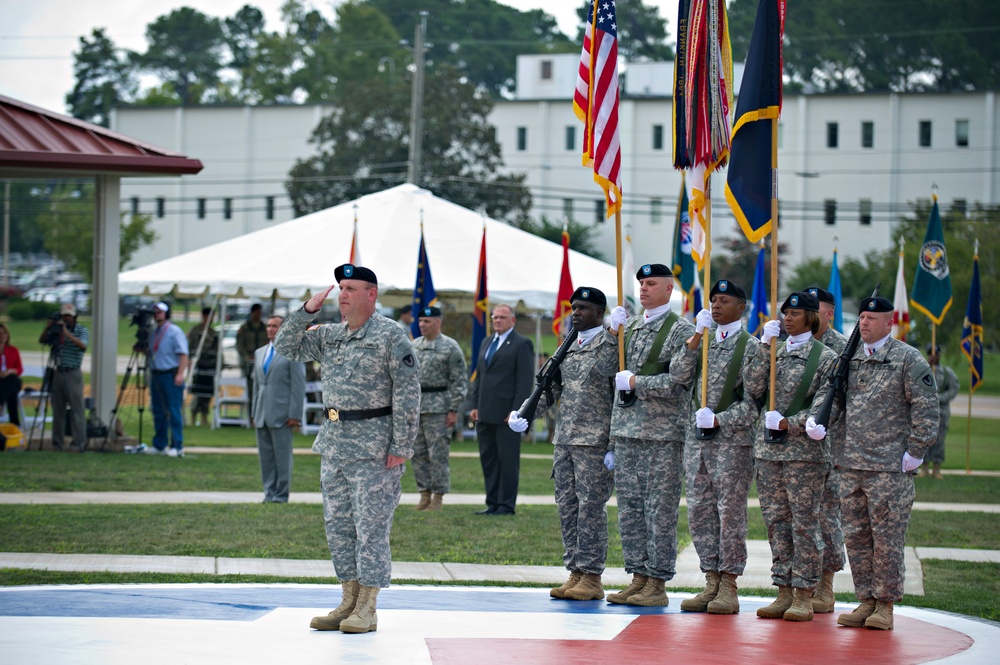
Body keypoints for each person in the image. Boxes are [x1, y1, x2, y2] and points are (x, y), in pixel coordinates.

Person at [274, 264, 419, 635]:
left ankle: (368, 606)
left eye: (351, 288)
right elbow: (285, 346)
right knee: (338, 527)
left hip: (375, 446)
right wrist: (306, 311)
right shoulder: (331, 335)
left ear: (371, 295)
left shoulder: (390, 335)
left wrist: (401, 445)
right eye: (341, 287)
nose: (343, 294)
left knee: (370, 528)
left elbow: (407, 392)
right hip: (336, 443)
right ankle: (348, 599)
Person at [831, 296, 938, 631]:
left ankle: (885, 605)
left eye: (871, 318)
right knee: (857, 539)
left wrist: (917, 451)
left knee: (887, 540)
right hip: (851, 465)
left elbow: (926, 408)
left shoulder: (907, 359)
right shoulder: (850, 359)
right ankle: (865, 600)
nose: (864, 323)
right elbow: (836, 402)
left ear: (889, 323)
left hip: (889, 468)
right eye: (861, 317)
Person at [509, 287, 617, 601]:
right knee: (568, 507)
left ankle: (592, 576)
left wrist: (613, 445)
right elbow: (550, 389)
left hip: (594, 443)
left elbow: (618, 399)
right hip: (566, 440)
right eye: (574, 307)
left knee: (590, 510)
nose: (576, 313)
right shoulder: (567, 346)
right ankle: (575, 571)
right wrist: (526, 413)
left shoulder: (609, 346)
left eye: (583, 308)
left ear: (599, 312)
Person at [604, 263, 698, 607]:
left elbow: (679, 382)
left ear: (669, 290)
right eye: (641, 283)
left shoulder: (680, 331)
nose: (643, 288)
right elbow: (606, 371)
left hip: (663, 435)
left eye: (651, 283)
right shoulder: (630, 329)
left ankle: (657, 582)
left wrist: (636, 383)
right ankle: (638, 576)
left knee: (659, 510)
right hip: (629, 432)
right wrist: (609, 334)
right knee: (630, 509)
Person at [745, 291, 838, 622]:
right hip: (769, 452)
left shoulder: (825, 358)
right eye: (785, 312)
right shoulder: (773, 352)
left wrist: (790, 423)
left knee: (804, 523)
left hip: (804, 454)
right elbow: (752, 388)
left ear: (811, 318)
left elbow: (826, 406)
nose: (787, 317)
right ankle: (782, 589)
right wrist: (761, 346)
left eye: (795, 313)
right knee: (776, 522)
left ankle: (804, 593)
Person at [680, 280, 760, 615]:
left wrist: (720, 419)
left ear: (741, 308)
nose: (715, 305)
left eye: (724, 300)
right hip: (697, 445)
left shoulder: (752, 347)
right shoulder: (704, 342)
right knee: (700, 514)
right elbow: (680, 375)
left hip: (731, 445)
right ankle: (710, 580)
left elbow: (756, 403)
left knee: (730, 516)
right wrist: (695, 338)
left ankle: (729, 584)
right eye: (713, 300)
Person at [468, 303, 534, 516]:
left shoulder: (521, 344)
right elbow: (480, 376)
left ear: (512, 320)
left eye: (502, 318)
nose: (497, 320)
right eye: (495, 317)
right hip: (485, 412)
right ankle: (493, 502)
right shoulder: (487, 341)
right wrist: (474, 404)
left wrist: (516, 411)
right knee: (489, 460)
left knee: (507, 461)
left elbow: (524, 382)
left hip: (507, 415)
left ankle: (506, 505)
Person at [806, 285, 848, 613]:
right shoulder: (791, 344)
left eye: (814, 308)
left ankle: (826, 583)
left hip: (830, 447)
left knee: (826, 514)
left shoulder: (844, 349)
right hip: (792, 447)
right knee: (796, 515)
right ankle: (800, 580)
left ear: (829, 313)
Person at [411, 306, 468, 511]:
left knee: (438, 455)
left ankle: (438, 496)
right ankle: (424, 494)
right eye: (420, 322)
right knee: (418, 453)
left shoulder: (450, 347)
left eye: (427, 322)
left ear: (438, 322)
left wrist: (453, 409)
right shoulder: (414, 346)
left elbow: (459, 381)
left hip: (440, 407)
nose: (422, 325)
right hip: (417, 407)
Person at [252, 315, 306, 503]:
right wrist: (253, 411)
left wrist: (294, 415)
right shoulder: (259, 352)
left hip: (283, 414)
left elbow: (298, 386)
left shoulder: (292, 351)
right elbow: (257, 386)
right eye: (268, 326)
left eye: (275, 326)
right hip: (262, 413)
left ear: (283, 329)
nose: (270, 329)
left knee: (282, 459)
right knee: (265, 458)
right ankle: (269, 493)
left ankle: (281, 495)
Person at [40, 303, 89, 452]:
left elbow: (83, 346)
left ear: (74, 316)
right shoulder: (56, 331)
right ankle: (57, 444)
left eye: (69, 315)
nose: (66, 318)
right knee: (58, 410)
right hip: (58, 372)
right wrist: (49, 328)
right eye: (64, 315)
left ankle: (79, 443)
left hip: (73, 372)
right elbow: (42, 341)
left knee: (76, 410)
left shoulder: (81, 330)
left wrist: (67, 334)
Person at [147, 302, 189, 457]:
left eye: (160, 312)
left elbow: (183, 354)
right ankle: (159, 444)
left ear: (167, 313)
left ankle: (177, 445)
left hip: (170, 375)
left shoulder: (174, 331)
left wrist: (180, 374)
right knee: (158, 410)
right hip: (157, 374)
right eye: (155, 312)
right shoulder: (155, 332)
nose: (157, 314)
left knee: (172, 410)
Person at [924, 344, 959, 479]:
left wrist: (941, 398)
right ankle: (925, 468)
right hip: (925, 411)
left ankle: (937, 469)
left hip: (941, 411)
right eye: (930, 354)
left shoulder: (946, 372)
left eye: (935, 354)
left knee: (939, 441)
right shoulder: (923, 369)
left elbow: (954, 388)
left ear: (939, 355)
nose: (933, 356)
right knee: (924, 438)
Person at [186, 307, 219, 427]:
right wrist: (189, 363)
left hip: (210, 367)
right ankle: (193, 417)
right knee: (196, 392)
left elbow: (217, 350)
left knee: (207, 393)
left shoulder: (213, 333)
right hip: (197, 366)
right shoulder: (195, 331)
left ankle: (204, 417)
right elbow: (189, 348)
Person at [237, 303, 267, 409]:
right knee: (250, 389)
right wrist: (246, 357)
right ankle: (251, 414)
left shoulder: (265, 327)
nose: (258, 314)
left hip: (262, 361)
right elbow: (240, 345)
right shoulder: (245, 328)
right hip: (248, 362)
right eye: (257, 312)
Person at [0, 323, 23, 428]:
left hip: (12, 378)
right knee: (12, 391)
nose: (2, 336)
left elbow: (20, 368)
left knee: (12, 379)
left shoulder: (13, 350)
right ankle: (15, 424)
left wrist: (10, 371)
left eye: (4, 333)